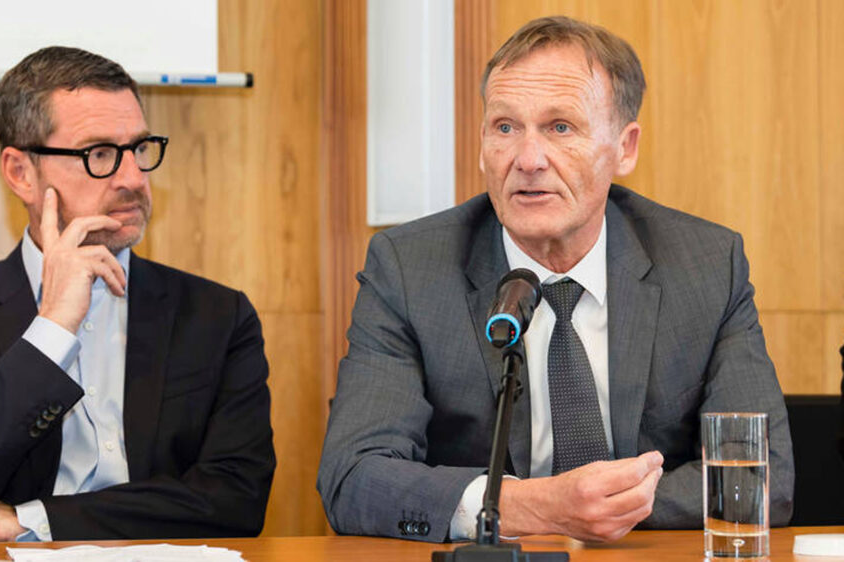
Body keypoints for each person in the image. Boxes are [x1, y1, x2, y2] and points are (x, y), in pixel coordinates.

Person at [317, 16, 792, 543]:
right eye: (505, 127)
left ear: (625, 147)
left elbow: (760, 474)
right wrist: (525, 506)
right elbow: (354, 475)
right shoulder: (411, 269)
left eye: (560, 128)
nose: (527, 159)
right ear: (481, 143)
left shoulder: (704, 265)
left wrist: (598, 507)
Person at [0, 47, 275, 542]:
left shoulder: (218, 316)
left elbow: (237, 499)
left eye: (139, 148)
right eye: (100, 155)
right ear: (21, 172)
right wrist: (52, 329)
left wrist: (29, 521)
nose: (134, 178)